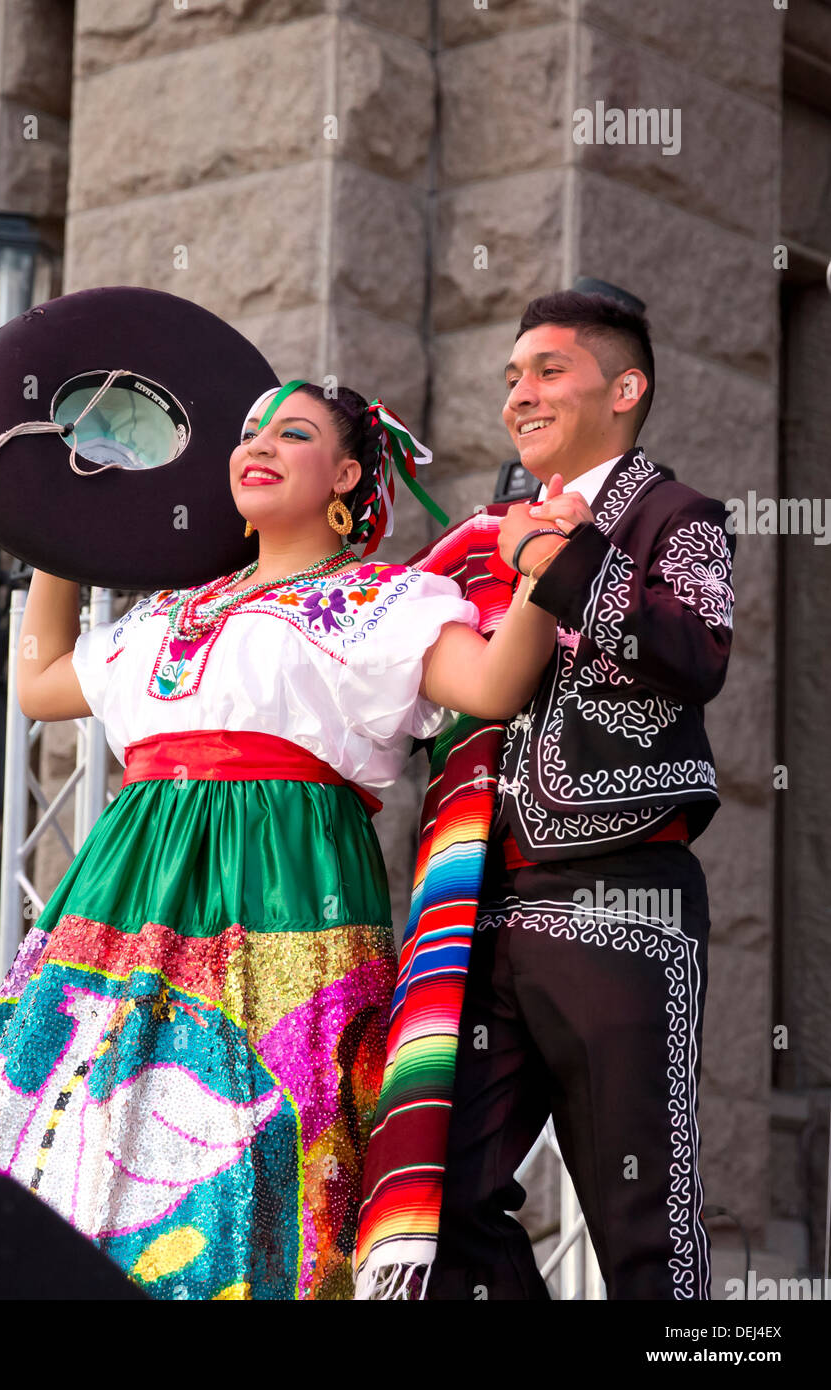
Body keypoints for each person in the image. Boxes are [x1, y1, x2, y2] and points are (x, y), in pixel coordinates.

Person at [0, 377, 558, 1301]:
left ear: (346, 473)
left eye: (291, 433)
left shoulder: (381, 602)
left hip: (283, 889)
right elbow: (43, 683)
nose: (254, 445)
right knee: (68, 1130)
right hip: (124, 889)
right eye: (248, 431)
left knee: (260, 1143)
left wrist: (546, 567)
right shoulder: (173, 610)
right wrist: (59, 528)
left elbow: (497, 686)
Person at [354, 292, 735, 1301]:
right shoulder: (491, 525)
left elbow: (695, 651)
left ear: (622, 388)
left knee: (641, 1217)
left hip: (619, 901)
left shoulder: (675, 515)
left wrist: (554, 559)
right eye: (511, 376)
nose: (520, 393)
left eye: (547, 371)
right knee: (431, 1206)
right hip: (475, 912)